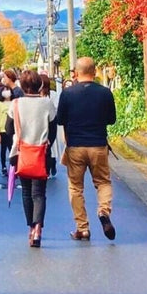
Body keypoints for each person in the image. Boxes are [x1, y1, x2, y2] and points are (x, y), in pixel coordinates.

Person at [53, 56, 117, 241]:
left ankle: (82, 228)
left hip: (75, 146)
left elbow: (60, 120)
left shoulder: (68, 93)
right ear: (95, 71)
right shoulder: (105, 93)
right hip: (98, 144)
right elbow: (111, 120)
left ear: (76, 72)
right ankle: (103, 211)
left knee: (75, 188)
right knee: (103, 182)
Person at [10, 70, 55, 247]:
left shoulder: (16, 104)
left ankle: (30, 227)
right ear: (40, 85)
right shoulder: (47, 103)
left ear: (22, 85)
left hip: (21, 152)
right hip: (41, 152)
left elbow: (8, 127)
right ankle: (38, 229)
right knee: (39, 193)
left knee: (26, 192)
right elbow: (52, 128)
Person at [0, 88, 13, 175]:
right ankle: (3, 166)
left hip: (13, 130)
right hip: (3, 130)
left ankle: (13, 166)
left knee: (12, 149)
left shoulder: (14, 103)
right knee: (3, 149)